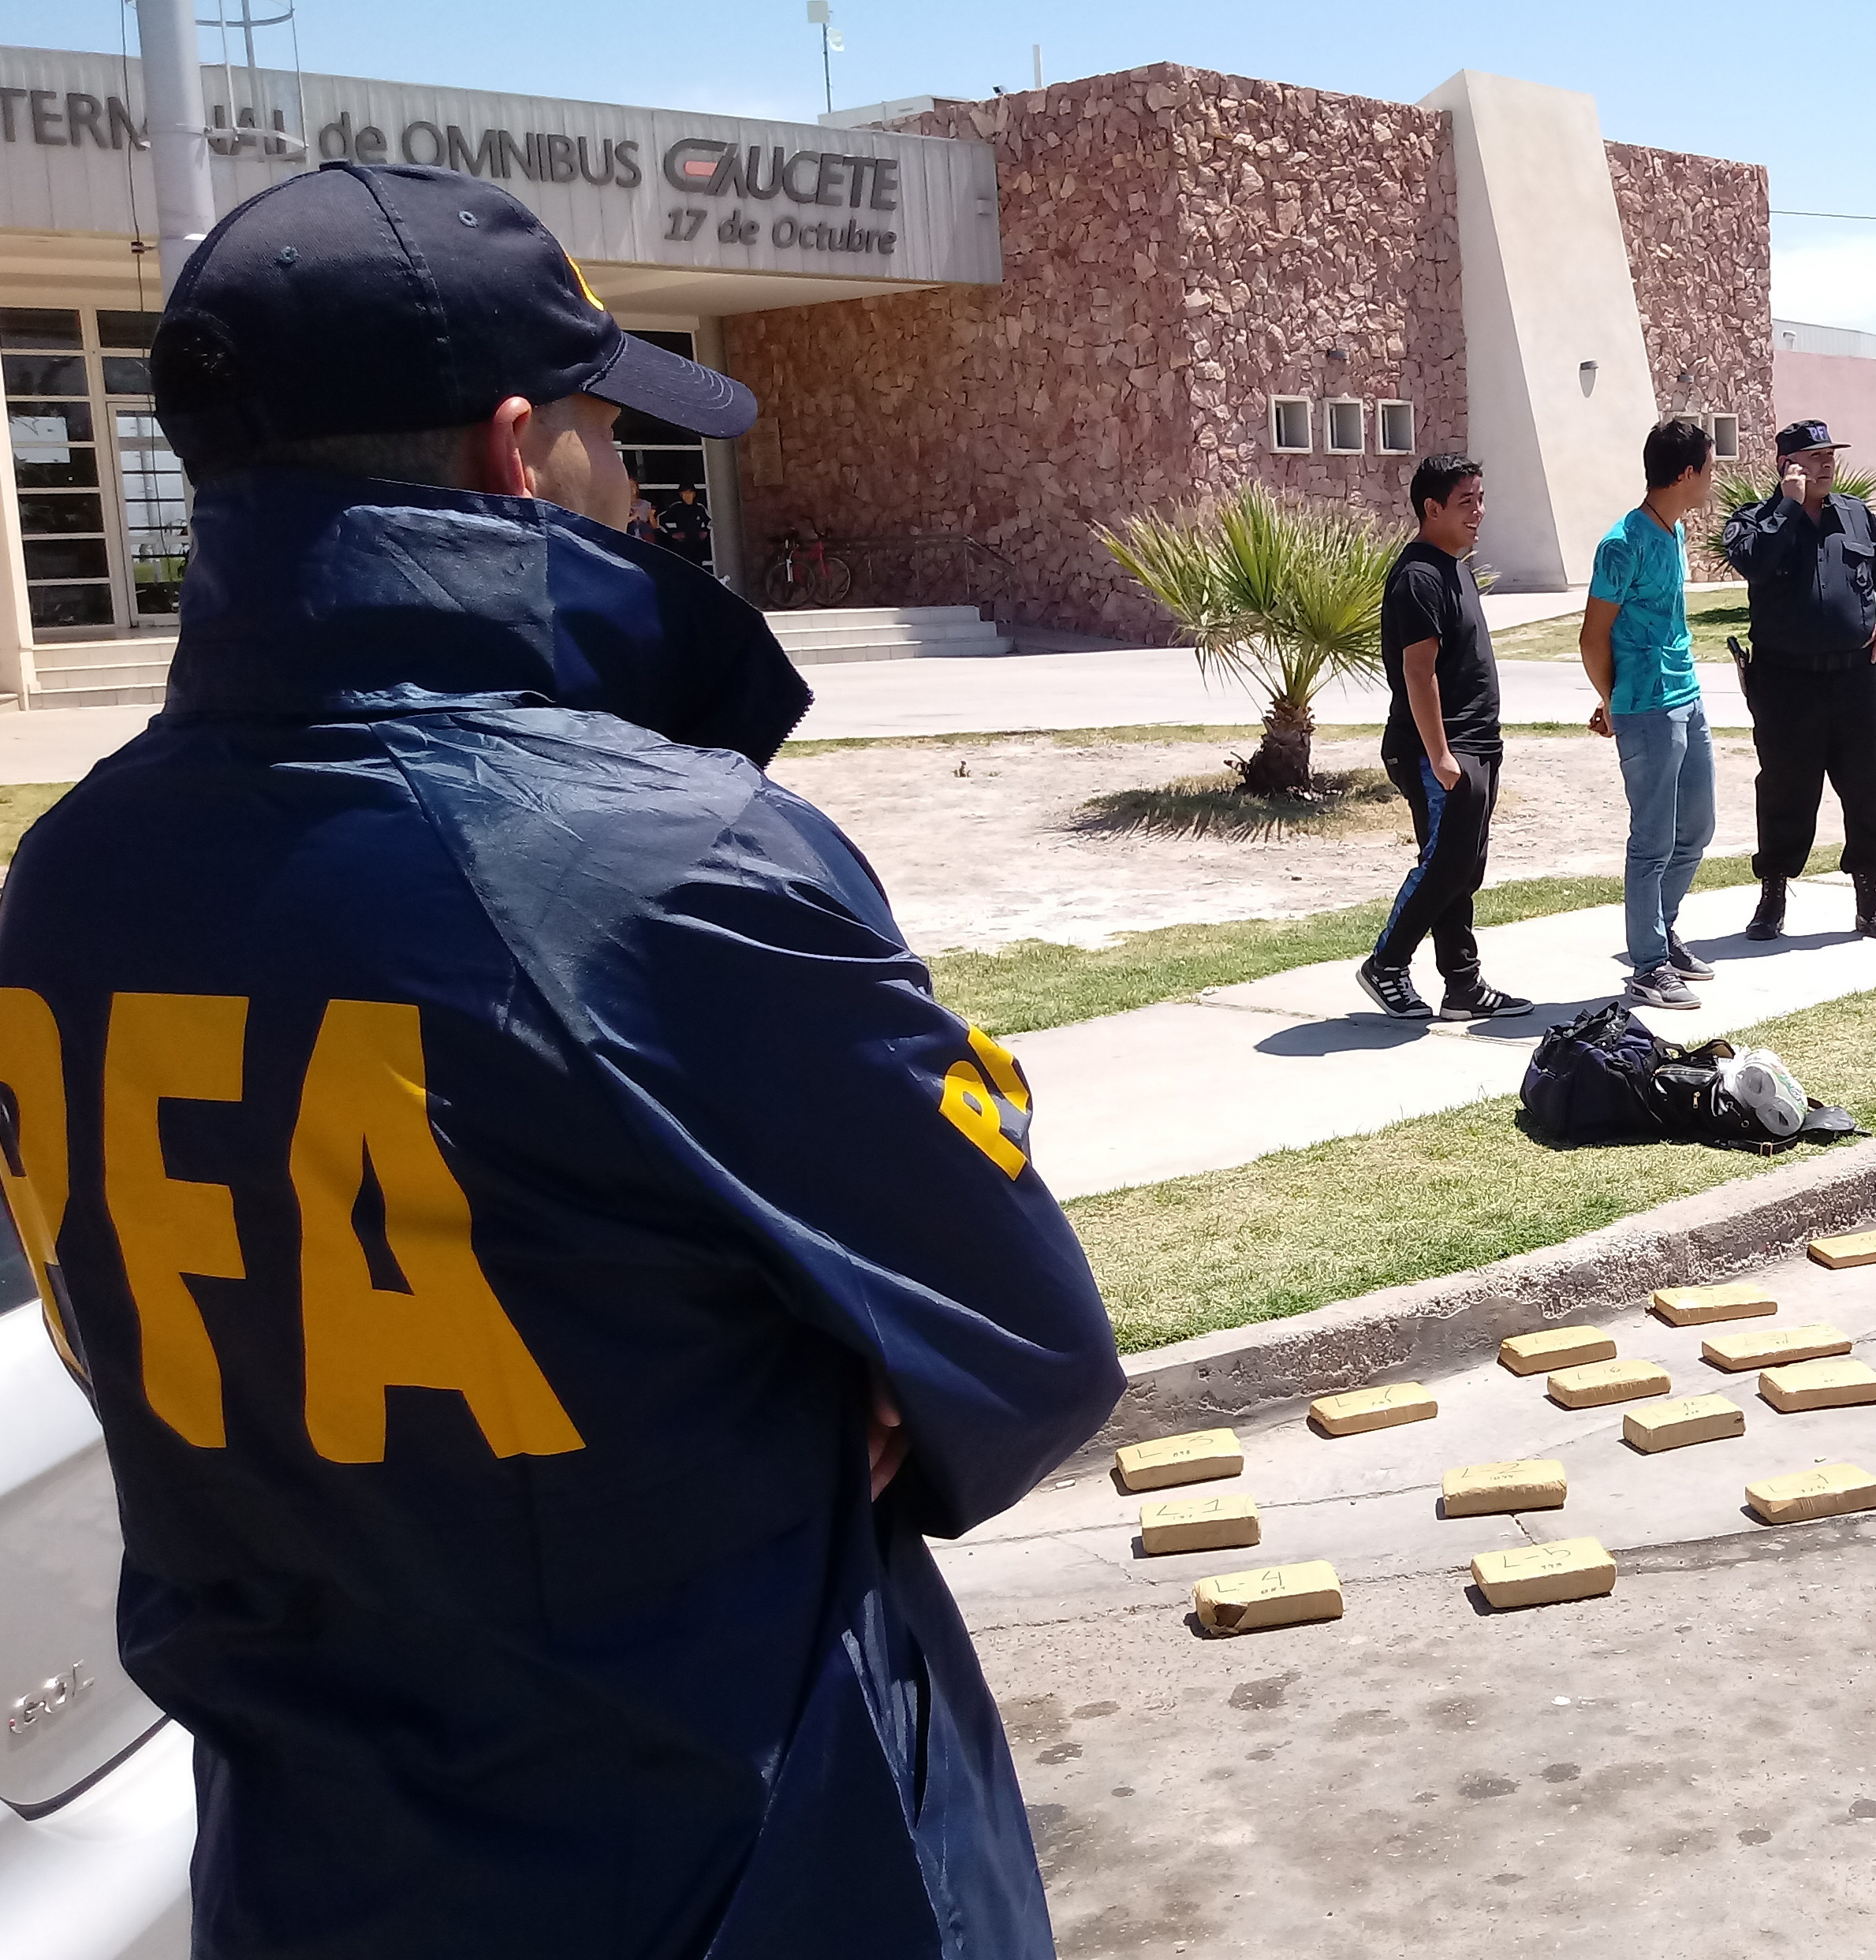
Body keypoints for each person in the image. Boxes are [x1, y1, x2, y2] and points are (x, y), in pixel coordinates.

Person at [0, 162, 1124, 1960]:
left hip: (305, 1882)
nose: (636, 485)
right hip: (730, 1873)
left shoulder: (63, 878)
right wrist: (820, 1385)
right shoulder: (665, 859)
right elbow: (1025, 1334)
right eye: (613, 433)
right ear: (516, 454)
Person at [1720, 419, 1876, 942]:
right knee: (1785, 793)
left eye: (1830, 455)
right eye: (1815, 456)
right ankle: (1772, 897)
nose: (1827, 463)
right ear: (1787, 465)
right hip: (1785, 685)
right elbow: (1754, 563)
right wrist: (1786, 506)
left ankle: (1870, 898)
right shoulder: (1753, 520)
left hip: (1855, 681)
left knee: (1867, 791)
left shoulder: (1855, 515)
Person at [1357, 453, 1532, 1023]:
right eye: (1466, 502)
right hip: (1439, 749)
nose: (1478, 512)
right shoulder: (1419, 576)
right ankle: (1386, 964)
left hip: (1476, 743)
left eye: (1480, 499)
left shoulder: (1455, 566)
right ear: (1431, 509)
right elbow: (1418, 672)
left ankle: (1462, 985)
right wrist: (1439, 755)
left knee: (1464, 869)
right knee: (1445, 865)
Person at [1582, 418, 1717, 1010]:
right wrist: (1613, 700)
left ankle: (1663, 933)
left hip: (1687, 696)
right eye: (1709, 468)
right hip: (1646, 708)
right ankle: (1648, 964)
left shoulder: (1674, 530)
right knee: (1653, 840)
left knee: (1697, 827)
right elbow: (1592, 637)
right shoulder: (1622, 543)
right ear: (1685, 473)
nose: (1713, 479)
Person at [656, 479, 713, 567]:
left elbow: (710, 523)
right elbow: (660, 520)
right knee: (683, 567)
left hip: (697, 547)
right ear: (681, 495)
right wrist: (672, 534)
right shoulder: (676, 508)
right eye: (684, 493)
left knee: (697, 569)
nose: (687, 496)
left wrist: (705, 532)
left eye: (689, 493)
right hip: (681, 546)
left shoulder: (700, 508)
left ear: (694, 494)